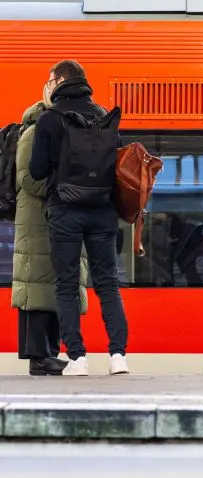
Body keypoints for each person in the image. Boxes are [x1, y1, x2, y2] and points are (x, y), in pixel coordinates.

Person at [29, 59, 130, 376]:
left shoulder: (49, 119)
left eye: (50, 78)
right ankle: (118, 357)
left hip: (65, 211)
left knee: (67, 285)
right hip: (102, 211)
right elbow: (119, 166)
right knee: (108, 285)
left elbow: (36, 170)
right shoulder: (104, 116)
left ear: (59, 80)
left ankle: (78, 358)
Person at [11, 100, 89, 376]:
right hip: (38, 222)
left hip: (53, 217)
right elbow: (28, 179)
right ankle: (39, 355)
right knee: (39, 287)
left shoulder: (50, 129)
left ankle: (49, 353)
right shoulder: (33, 132)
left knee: (53, 286)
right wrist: (66, 189)